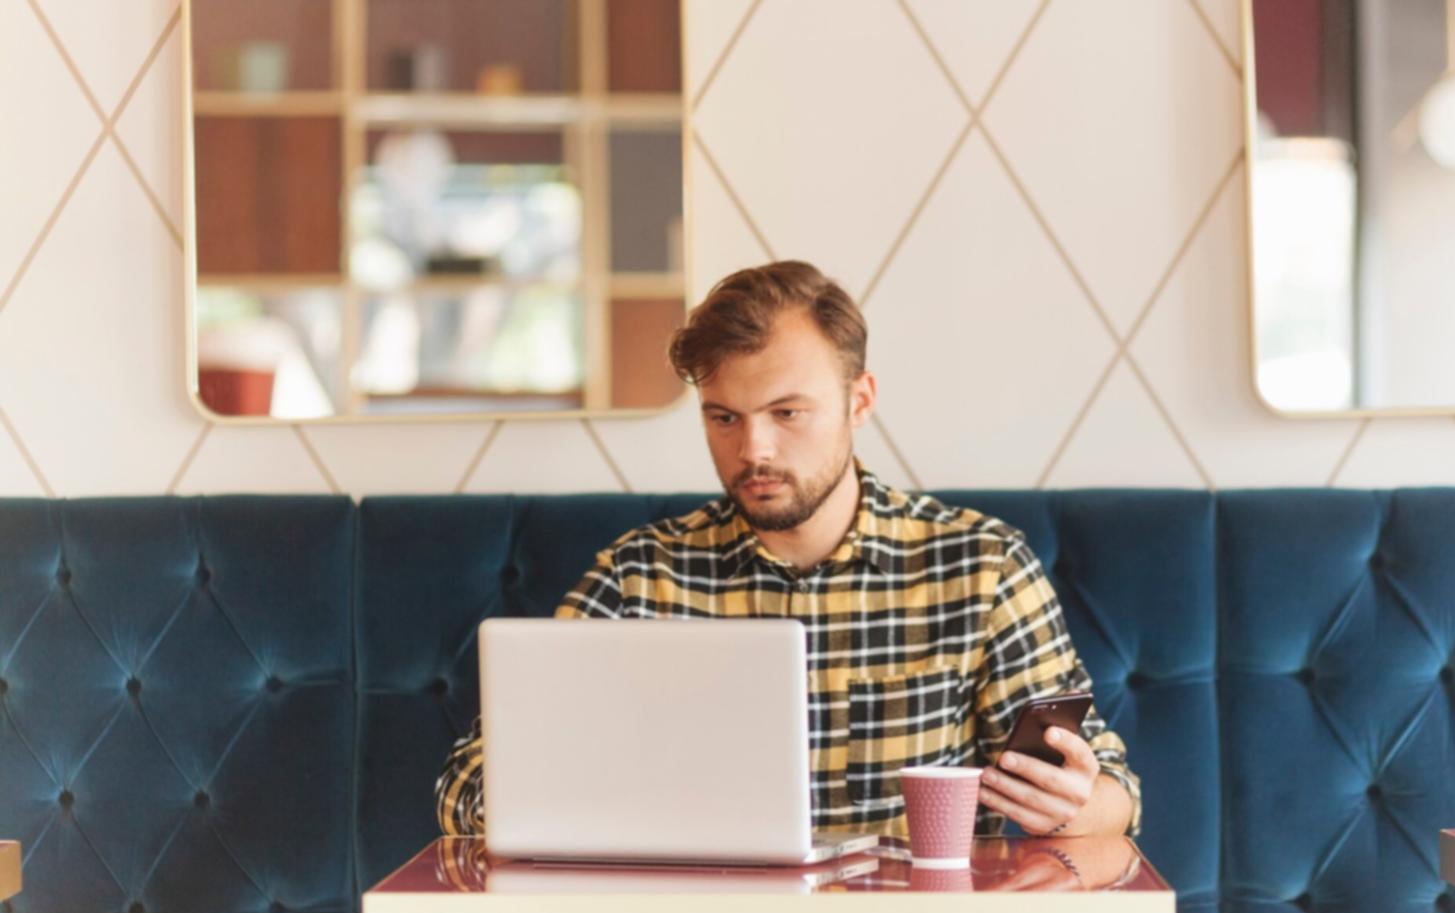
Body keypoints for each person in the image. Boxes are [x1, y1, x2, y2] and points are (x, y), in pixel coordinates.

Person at [436, 260, 1139, 839]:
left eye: (787, 413)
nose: (753, 450)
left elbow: (1112, 791)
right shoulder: (639, 577)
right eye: (723, 418)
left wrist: (1077, 804)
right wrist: (560, 777)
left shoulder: (980, 566)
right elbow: (464, 792)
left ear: (858, 401)